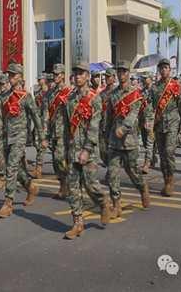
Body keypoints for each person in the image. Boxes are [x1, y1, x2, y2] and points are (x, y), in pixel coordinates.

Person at [63, 62, 111, 239]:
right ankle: (78, 223)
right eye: (75, 73)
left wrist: (87, 149)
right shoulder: (69, 99)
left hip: (87, 150)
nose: (77, 76)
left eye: (81, 73)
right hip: (72, 148)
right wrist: (63, 148)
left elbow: (94, 126)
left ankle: (103, 202)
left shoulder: (94, 99)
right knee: (73, 187)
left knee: (91, 185)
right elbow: (65, 126)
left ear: (87, 77)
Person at [0, 63, 45, 218]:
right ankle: (30, 186)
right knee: (13, 168)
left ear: (20, 77)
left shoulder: (26, 97)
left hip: (20, 136)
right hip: (7, 136)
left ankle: (8, 203)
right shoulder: (4, 96)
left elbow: (36, 117)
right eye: (9, 75)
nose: (10, 77)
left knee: (12, 167)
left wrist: (41, 137)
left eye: (13, 75)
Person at [105, 61, 150, 219]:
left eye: (124, 71)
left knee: (133, 172)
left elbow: (133, 115)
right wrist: (106, 137)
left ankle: (142, 188)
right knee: (112, 173)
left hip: (129, 140)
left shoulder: (136, 94)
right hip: (114, 142)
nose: (121, 74)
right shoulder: (113, 95)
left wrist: (123, 128)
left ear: (129, 73)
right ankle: (116, 205)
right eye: (119, 71)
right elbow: (109, 118)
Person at [149, 59, 181, 197]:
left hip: (173, 123)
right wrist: (149, 121)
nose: (164, 70)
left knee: (169, 152)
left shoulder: (176, 86)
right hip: (159, 124)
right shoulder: (154, 88)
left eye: (166, 67)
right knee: (162, 154)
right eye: (161, 68)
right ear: (158, 70)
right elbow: (150, 106)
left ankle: (170, 180)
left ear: (170, 70)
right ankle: (166, 180)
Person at [44, 63, 73, 200]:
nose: (55, 76)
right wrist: (45, 133)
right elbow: (47, 114)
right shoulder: (50, 93)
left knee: (60, 158)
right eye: (54, 74)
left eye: (57, 74)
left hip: (65, 132)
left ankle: (67, 185)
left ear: (63, 75)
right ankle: (63, 184)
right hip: (53, 130)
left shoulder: (69, 92)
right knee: (56, 162)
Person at [139, 73, 155, 174]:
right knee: (145, 141)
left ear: (150, 78)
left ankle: (147, 162)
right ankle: (152, 158)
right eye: (143, 78)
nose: (144, 80)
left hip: (151, 119)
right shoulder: (142, 91)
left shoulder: (155, 90)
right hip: (142, 119)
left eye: (146, 78)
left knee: (149, 142)